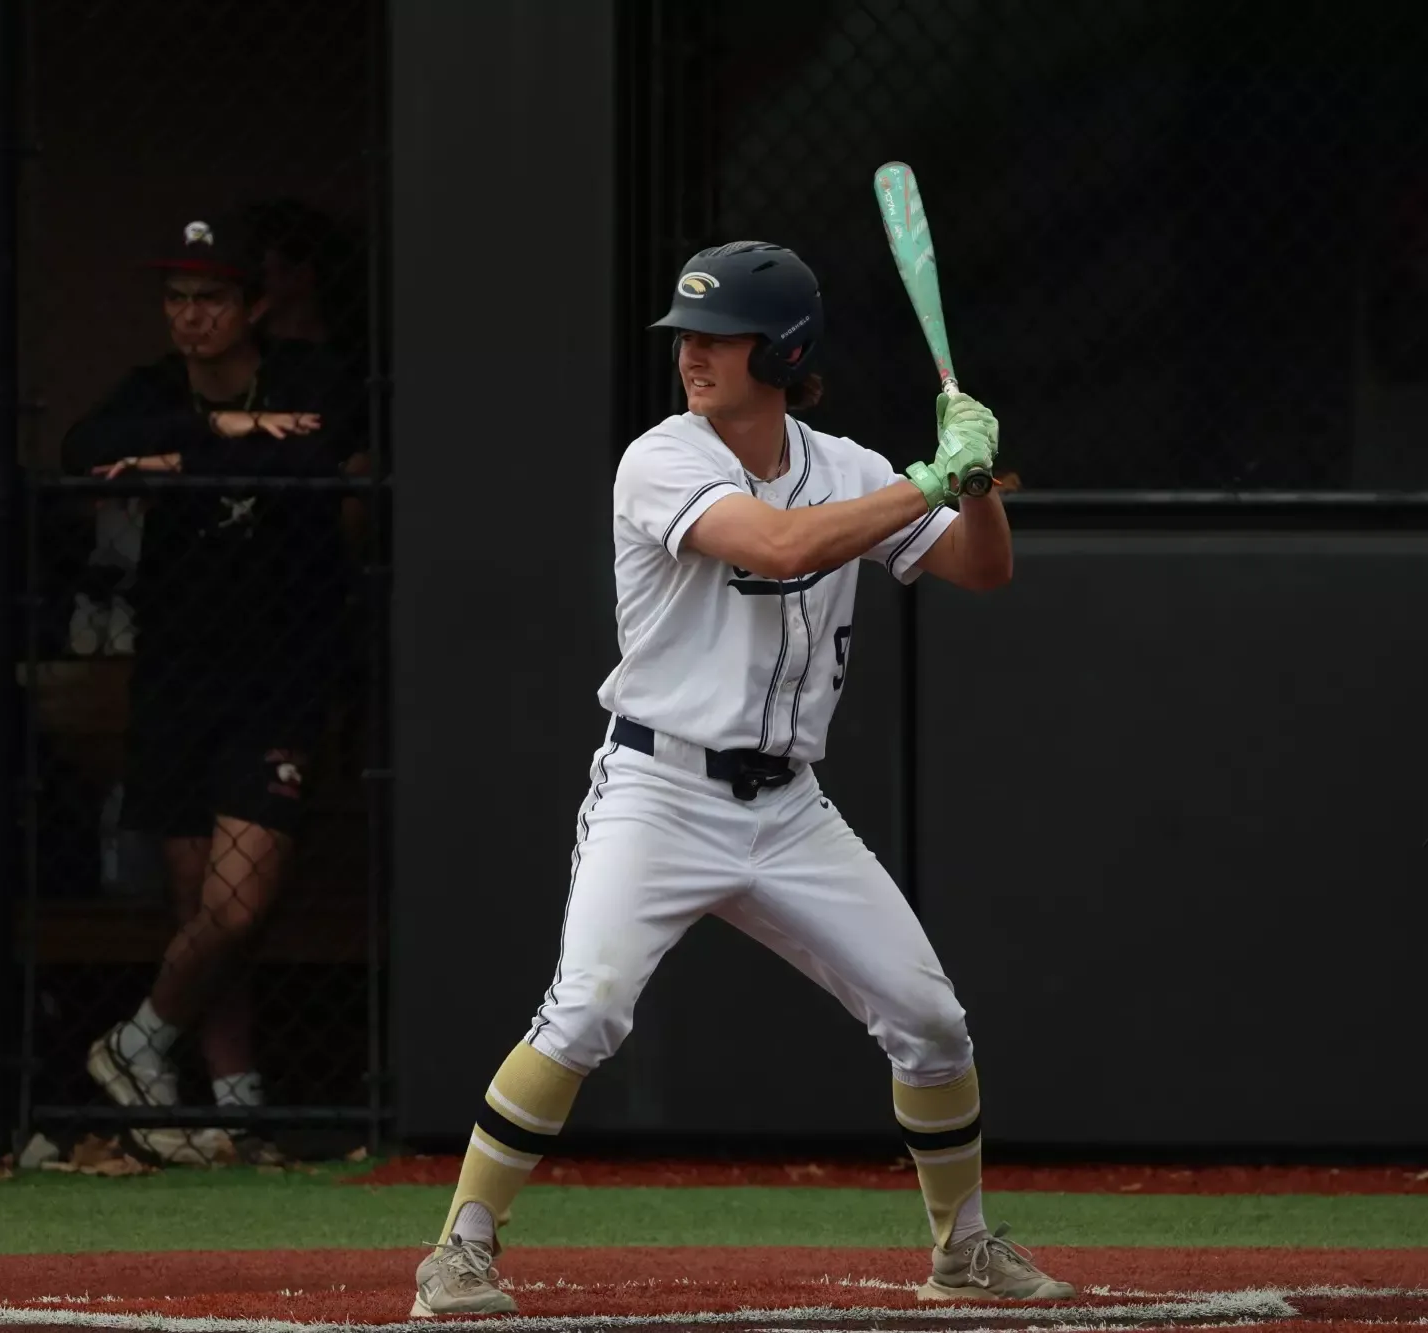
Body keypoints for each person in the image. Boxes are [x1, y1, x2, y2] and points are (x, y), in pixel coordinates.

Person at [411, 241, 1073, 1318]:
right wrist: (925, 480)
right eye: (688, 336)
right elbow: (777, 546)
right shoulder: (660, 458)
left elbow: (981, 567)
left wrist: (978, 479)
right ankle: (461, 1248)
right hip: (659, 790)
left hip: (790, 806)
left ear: (784, 351)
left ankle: (962, 1251)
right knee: (585, 1011)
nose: (693, 355)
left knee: (930, 1020)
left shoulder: (848, 467)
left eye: (719, 337)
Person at [61, 212, 363, 1165]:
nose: (191, 316)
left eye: (213, 298)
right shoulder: (154, 387)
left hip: (277, 669)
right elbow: (83, 447)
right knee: (201, 916)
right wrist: (215, 431)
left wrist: (174, 459)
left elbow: (313, 453)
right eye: (177, 298)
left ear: (255, 306)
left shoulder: (309, 376)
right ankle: (235, 1104)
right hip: (176, 671)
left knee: (238, 904)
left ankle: (137, 1039)